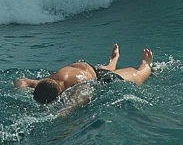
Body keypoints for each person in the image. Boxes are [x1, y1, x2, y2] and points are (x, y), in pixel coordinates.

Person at [14, 44, 153, 104]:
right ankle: (145, 64)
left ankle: (114, 61)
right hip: (97, 76)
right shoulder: (53, 82)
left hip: (92, 71)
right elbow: (22, 81)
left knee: (115, 71)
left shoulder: (47, 84)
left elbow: (21, 81)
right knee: (135, 74)